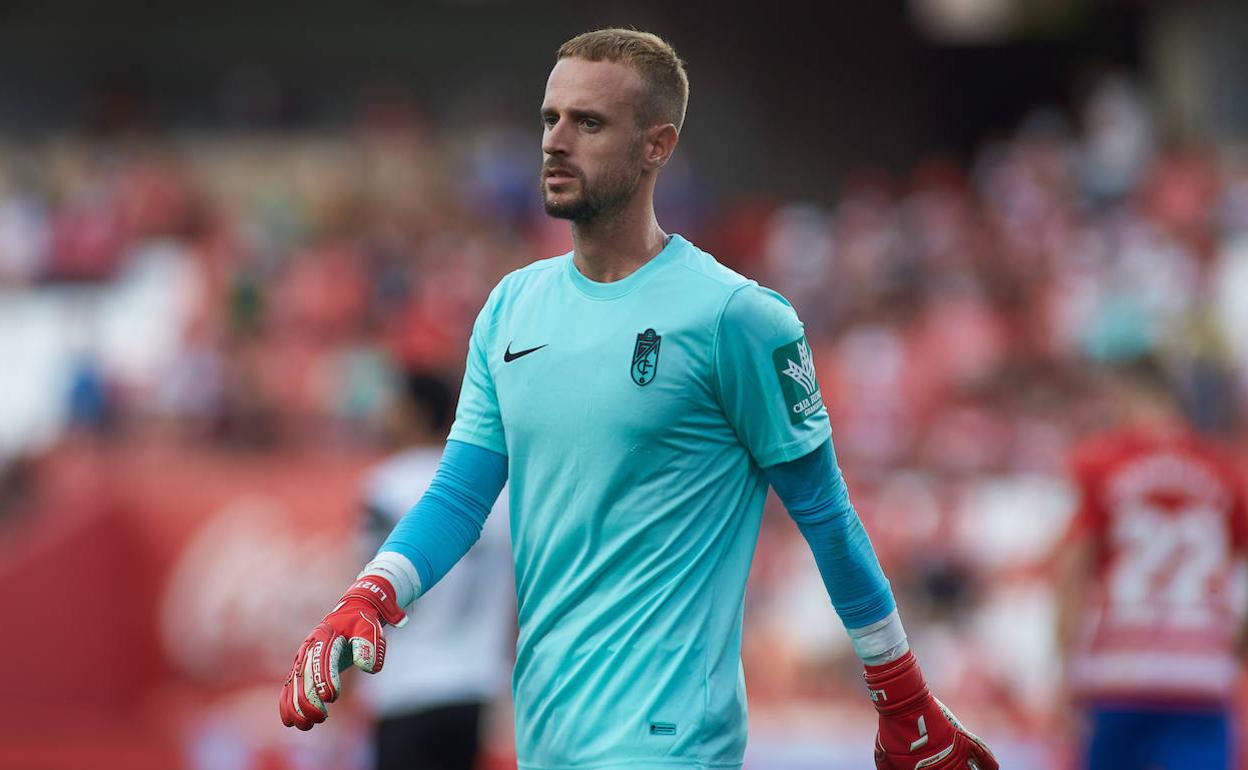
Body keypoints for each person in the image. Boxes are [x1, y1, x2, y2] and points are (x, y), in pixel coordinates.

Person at [280, 28, 997, 770]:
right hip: (546, 735)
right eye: (549, 118)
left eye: (588, 123)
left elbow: (825, 515)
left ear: (658, 145)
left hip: (670, 740)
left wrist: (902, 693)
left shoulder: (737, 317)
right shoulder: (511, 308)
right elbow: (462, 494)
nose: (556, 142)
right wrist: (370, 594)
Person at [1056, 356, 1247, 770]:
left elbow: (1074, 568)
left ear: (1129, 396)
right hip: (1201, 672)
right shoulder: (1224, 469)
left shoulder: (1102, 463)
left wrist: (1064, 666)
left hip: (1119, 673)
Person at [357, 372, 513, 770]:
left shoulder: (389, 482)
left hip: (405, 685)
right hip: (473, 683)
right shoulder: (494, 486)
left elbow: (362, 585)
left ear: (414, 412)